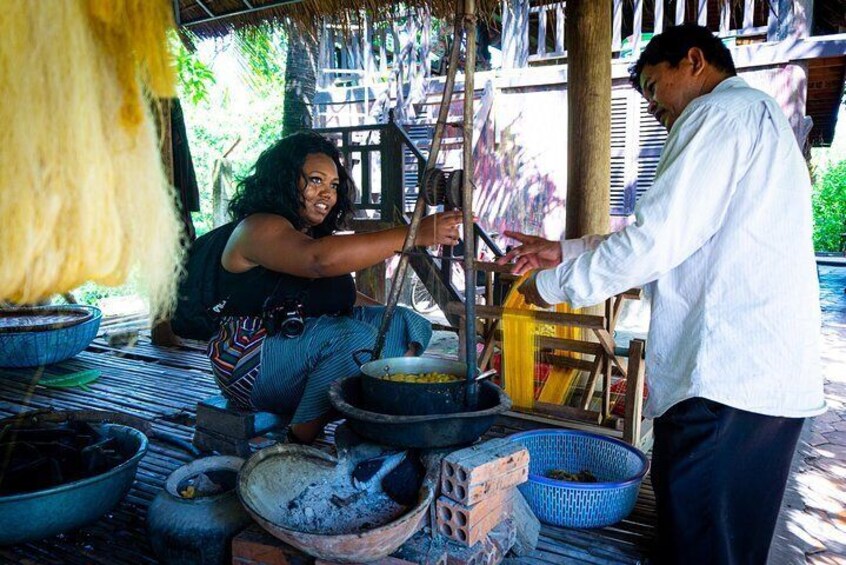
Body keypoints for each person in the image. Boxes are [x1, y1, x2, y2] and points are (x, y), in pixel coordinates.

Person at [499, 24, 825, 565]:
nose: (653, 108)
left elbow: (656, 240)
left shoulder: (716, 116)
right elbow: (677, 235)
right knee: (732, 545)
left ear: (693, 61)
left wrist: (549, 287)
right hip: (765, 390)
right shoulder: (759, 118)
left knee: (697, 546)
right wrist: (564, 251)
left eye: (654, 88)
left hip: (721, 382)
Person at [206, 131, 463, 445]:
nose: (327, 194)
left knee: (406, 324)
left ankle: (378, 415)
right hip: (247, 360)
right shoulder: (257, 227)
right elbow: (318, 261)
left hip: (295, 344)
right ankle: (297, 443)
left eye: (333, 185)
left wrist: (389, 318)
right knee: (355, 340)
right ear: (285, 180)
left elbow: (345, 296)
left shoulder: (309, 233)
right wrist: (413, 234)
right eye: (315, 180)